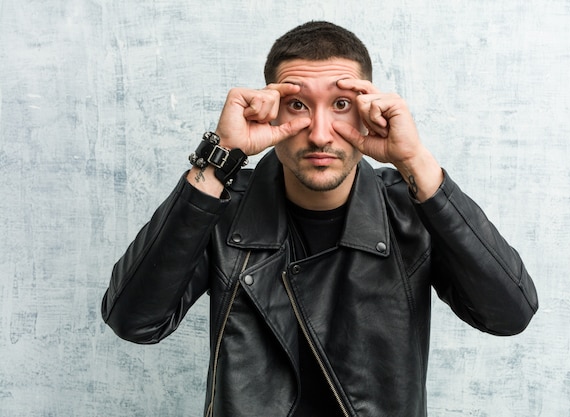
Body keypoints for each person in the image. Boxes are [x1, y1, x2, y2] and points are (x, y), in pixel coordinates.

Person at [102, 20, 538, 417]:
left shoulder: (411, 209)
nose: (320, 133)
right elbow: (134, 321)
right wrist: (219, 162)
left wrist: (416, 163)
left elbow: (509, 314)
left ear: (371, 109)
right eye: (297, 105)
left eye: (342, 103)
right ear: (268, 109)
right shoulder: (224, 206)